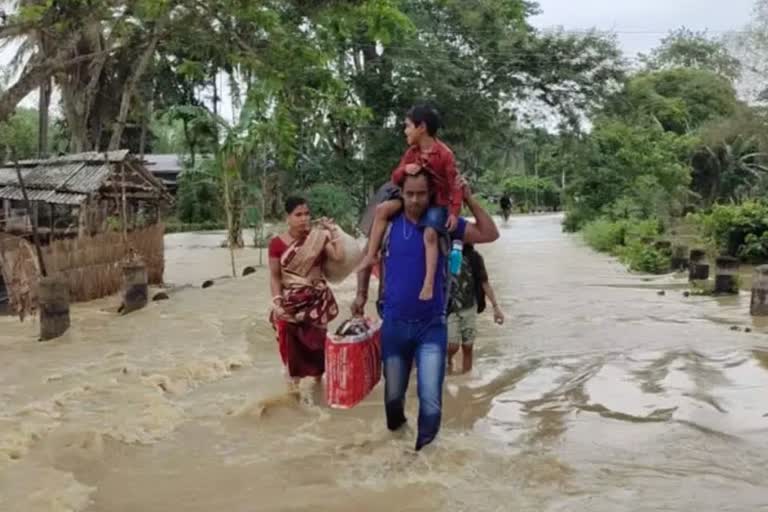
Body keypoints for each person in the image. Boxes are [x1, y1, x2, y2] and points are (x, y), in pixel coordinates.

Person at [351, 170, 499, 451]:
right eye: (409, 194)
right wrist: (360, 295)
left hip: (431, 328)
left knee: (430, 398)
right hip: (394, 327)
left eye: (421, 194)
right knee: (393, 398)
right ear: (400, 194)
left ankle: (424, 460)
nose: (415, 200)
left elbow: (489, 233)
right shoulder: (389, 224)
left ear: (431, 194)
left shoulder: (442, 223)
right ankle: (397, 444)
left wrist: (467, 198)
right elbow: (365, 258)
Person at [357, 105, 464, 302]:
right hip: (407, 198)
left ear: (421, 127)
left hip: (435, 203)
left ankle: (429, 283)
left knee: (430, 233)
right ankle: (371, 254)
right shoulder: (411, 153)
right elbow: (395, 177)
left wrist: (454, 213)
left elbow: (455, 185)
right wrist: (406, 168)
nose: (405, 131)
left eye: (407, 126)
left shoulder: (445, 154)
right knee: (382, 209)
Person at [269, 196, 345, 388]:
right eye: (298, 214)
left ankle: (317, 390)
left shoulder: (317, 238)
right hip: (290, 304)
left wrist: (332, 230)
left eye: (307, 214)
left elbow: (339, 256)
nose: (304, 218)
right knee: (291, 352)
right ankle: (293, 395)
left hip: (316, 303)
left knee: (317, 350)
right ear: (288, 217)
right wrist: (277, 302)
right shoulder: (277, 244)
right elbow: (275, 276)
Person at [446, 243, 505, 375]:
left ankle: (466, 379)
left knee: (468, 346)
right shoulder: (445, 254)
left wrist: (496, 307)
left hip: (470, 308)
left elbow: (484, 282)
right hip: (450, 308)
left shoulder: (475, 257)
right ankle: (448, 359)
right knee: (452, 345)